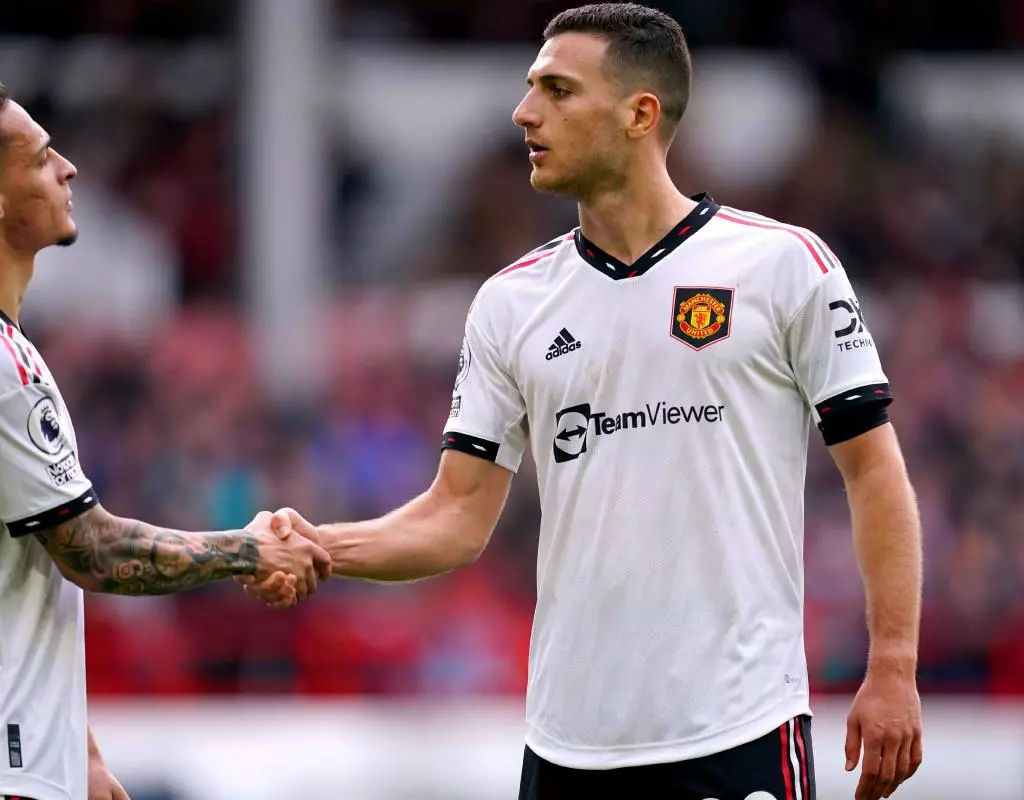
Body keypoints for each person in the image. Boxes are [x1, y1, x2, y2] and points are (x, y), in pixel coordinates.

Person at [243, 4, 924, 800]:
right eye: (532, 89)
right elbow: (455, 517)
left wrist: (893, 666)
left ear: (639, 114)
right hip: (569, 749)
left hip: (737, 730)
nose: (524, 112)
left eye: (558, 91)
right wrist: (320, 545)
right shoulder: (510, 303)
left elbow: (874, 470)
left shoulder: (782, 267)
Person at [0, 74, 330, 800]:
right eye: (40, 157)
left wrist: (74, 745)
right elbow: (94, 550)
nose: (67, 168)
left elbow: (21, 559)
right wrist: (249, 549)